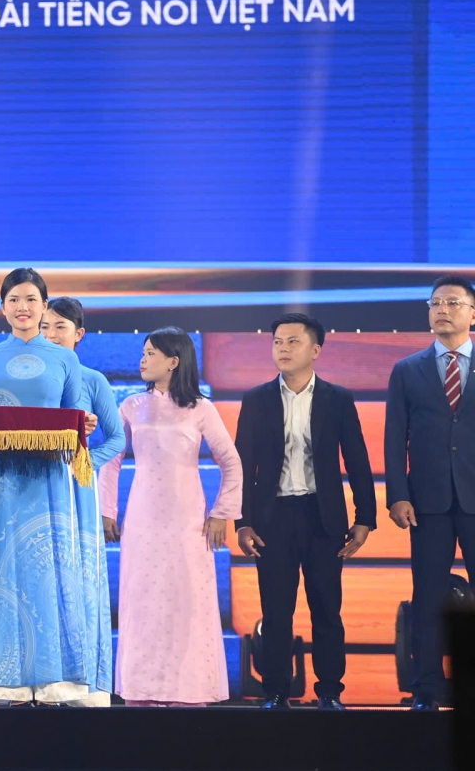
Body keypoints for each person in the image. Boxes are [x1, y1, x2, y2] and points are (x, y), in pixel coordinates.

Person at [0, 269, 102, 706]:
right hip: (5, 481)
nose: (22, 307)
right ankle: (7, 679)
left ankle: (56, 681)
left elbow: (75, 410)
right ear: (2, 307)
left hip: (51, 480)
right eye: (13, 300)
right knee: (4, 571)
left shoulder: (65, 359)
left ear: (44, 306)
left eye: (30, 299)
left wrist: (85, 423)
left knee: (52, 573)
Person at [235, 312, 375, 710]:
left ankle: (329, 691)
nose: (283, 348)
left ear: (316, 350)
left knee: (327, 609)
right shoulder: (256, 399)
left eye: (293, 341)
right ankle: (275, 692)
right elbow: (243, 464)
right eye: (277, 341)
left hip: (323, 517)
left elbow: (357, 461)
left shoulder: (338, 398)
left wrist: (365, 518)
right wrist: (243, 522)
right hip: (272, 518)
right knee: (276, 611)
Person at [99, 328, 243, 706]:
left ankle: (189, 693)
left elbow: (231, 462)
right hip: (142, 519)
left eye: (151, 353)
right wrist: (107, 510)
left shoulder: (201, 408)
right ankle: (141, 691)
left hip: (187, 522)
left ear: (173, 361)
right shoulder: (131, 406)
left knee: (187, 603)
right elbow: (111, 461)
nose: (142, 359)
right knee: (142, 602)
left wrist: (221, 513)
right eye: (143, 352)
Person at [385, 275, 475, 711]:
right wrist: (397, 495)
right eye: (435, 302)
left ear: (472, 313)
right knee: (427, 597)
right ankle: (426, 688)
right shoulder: (407, 369)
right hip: (427, 502)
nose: (442, 309)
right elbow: (394, 438)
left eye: (453, 302)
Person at [40, 297, 124, 705]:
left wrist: (84, 463)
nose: (51, 335)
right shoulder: (27, 379)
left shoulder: (92, 380)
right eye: (45, 327)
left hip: (76, 493)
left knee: (77, 580)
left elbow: (117, 437)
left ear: (79, 334)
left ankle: (81, 684)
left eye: (60, 327)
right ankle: (36, 679)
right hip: (33, 489)